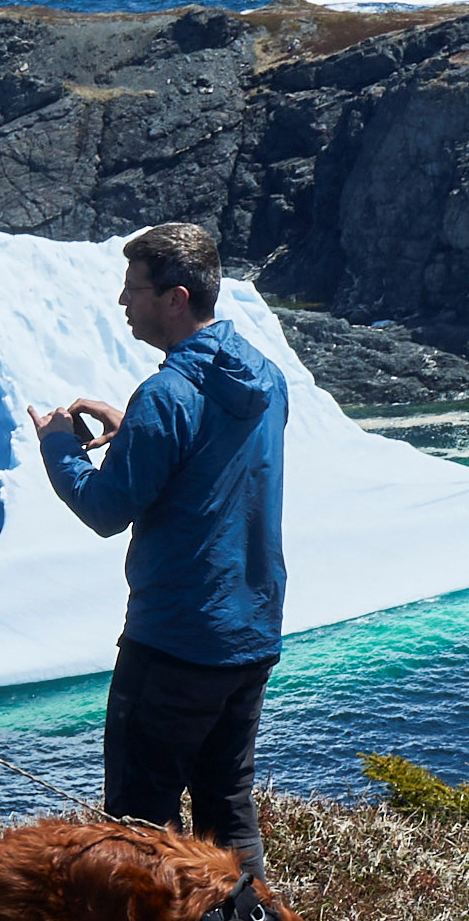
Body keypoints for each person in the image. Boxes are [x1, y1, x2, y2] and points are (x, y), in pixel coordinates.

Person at [29, 221, 289, 865]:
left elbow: (106, 510)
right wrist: (134, 433)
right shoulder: (264, 378)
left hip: (174, 639)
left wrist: (58, 445)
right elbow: (211, 461)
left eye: (133, 290)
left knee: (138, 825)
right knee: (226, 803)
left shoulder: (165, 395)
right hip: (249, 632)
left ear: (174, 297)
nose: (123, 303)